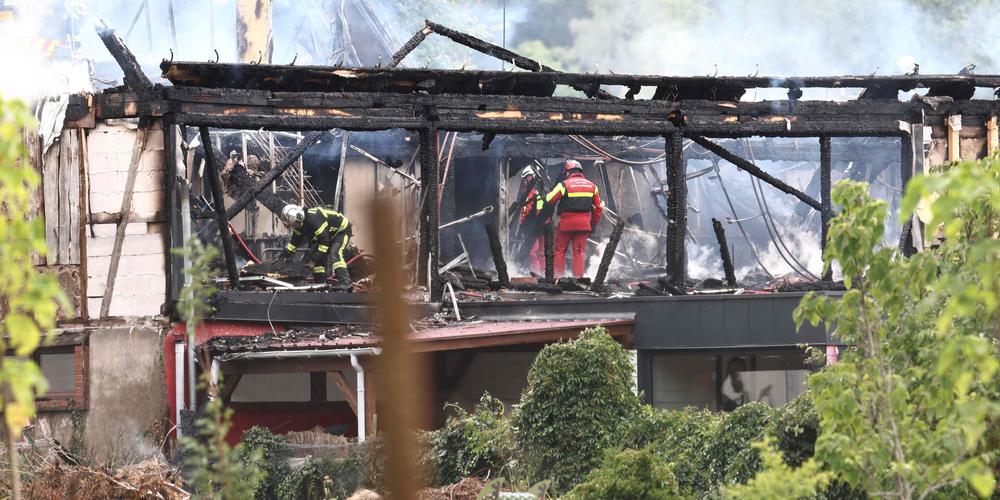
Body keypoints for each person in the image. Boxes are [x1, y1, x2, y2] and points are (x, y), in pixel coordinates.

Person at [543, 159, 603, 278]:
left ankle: (558, 278)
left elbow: (549, 199)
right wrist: (593, 224)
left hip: (566, 225)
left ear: (567, 172)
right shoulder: (592, 186)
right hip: (584, 225)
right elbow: (597, 208)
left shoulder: (564, 184)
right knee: (579, 252)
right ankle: (578, 279)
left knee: (560, 251)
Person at [280, 204, 353, 291]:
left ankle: (345, 282)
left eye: (294, 224)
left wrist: (313, 261)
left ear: (299, 218)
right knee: (318, 262)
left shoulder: (314, 220)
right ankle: (321, 286)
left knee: (335, 253)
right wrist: (285, 254)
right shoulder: (299, 225)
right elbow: (294, 242)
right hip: (326, 236)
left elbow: (324, 243)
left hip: (341, 231)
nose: (293, 227)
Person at [517, 166, 546, 274]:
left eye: (525, 179)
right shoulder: (540, 190)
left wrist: (520, 225)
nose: (524, 182)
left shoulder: (531, 192)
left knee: (533, 251)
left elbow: (526, 209)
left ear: (530, 177)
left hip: (531, 225)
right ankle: (543, 275)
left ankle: (535, 275)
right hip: (542, 224)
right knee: (541, 252)